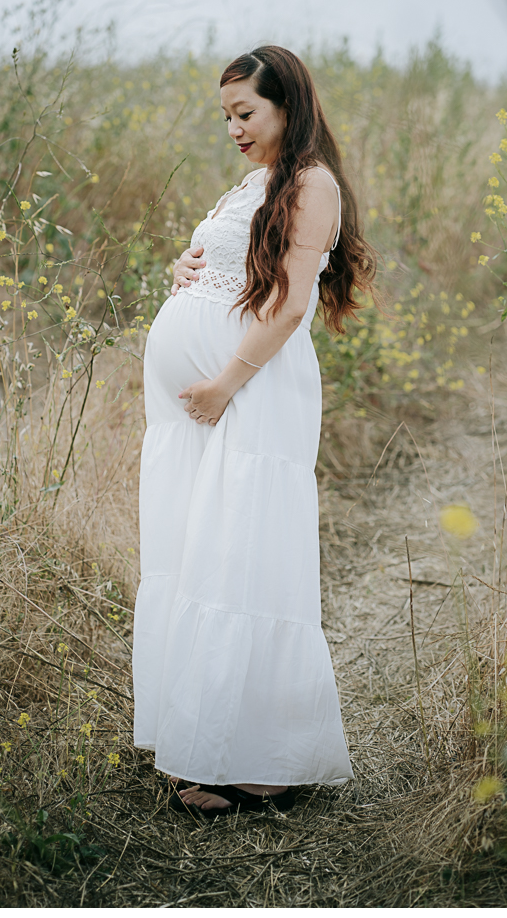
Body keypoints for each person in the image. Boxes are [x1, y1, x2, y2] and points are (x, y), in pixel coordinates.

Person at [132, 45, 377, 817]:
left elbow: (291, 303)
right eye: (227, 116)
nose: (234, 128)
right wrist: (187, 272)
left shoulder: (313, 184)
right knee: (200, 554)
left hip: (251, 395)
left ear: (286, 108)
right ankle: (207, 736)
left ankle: (265, 766)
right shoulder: (255, 181)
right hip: (202, 408)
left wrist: (225, 383)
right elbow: (235, 268)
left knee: (244, 556)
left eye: (246, 113)